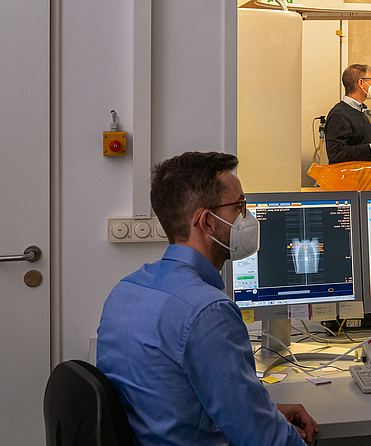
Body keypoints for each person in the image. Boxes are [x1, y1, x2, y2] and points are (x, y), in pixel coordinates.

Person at [96, 151, 318, 446]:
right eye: (239, 206)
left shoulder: (125, 291)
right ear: (207, 222)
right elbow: (265, 441)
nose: (246, 217)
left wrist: (267, 412)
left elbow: (168, 403)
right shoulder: (208, 312)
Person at [324, 64, 371, 164]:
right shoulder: (339, 114)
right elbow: (336, 154)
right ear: (361, 83)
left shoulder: (359, 111)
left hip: (362, 176)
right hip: (348, 178)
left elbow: (358, 148)